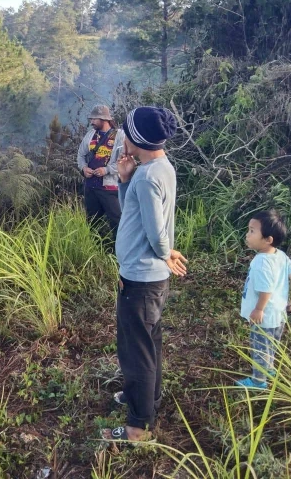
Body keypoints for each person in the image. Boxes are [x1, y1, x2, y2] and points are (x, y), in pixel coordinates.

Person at [102, 106, 188, 444]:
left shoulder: (150, 175)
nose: (121, 136)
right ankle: (147, 400)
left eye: (125, 132)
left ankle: (137, 427)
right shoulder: (158, 168)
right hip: (146, 279)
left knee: (135, 350)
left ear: (135, 139)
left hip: (140, 279)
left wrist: (166, 251)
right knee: (147, 341)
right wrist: (125, 181)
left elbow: (155, 230)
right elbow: (134, 213)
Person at [236, 210, 291, 389]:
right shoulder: (280, 255)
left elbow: (266, 290)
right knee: (271, 345)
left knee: (259, 348)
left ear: (268, 239)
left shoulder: (261, 262)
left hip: (263, 318)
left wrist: (259, 309)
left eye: (251, 231)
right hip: (278, 314)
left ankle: (258, 381)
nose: (247, 235)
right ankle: (270, 369)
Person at [76, 105, 124, 238]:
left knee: (116, 221)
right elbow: (80, 155)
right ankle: (95, 249)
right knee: (92, 221)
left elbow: (125, 160)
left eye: (94, 119)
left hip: (109, 187)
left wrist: (107, 170)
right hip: (90, 186)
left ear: (104, 119)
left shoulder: (119, 136)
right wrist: (84, 168)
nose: (91, 122)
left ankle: (118, 252)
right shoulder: (90, 135)